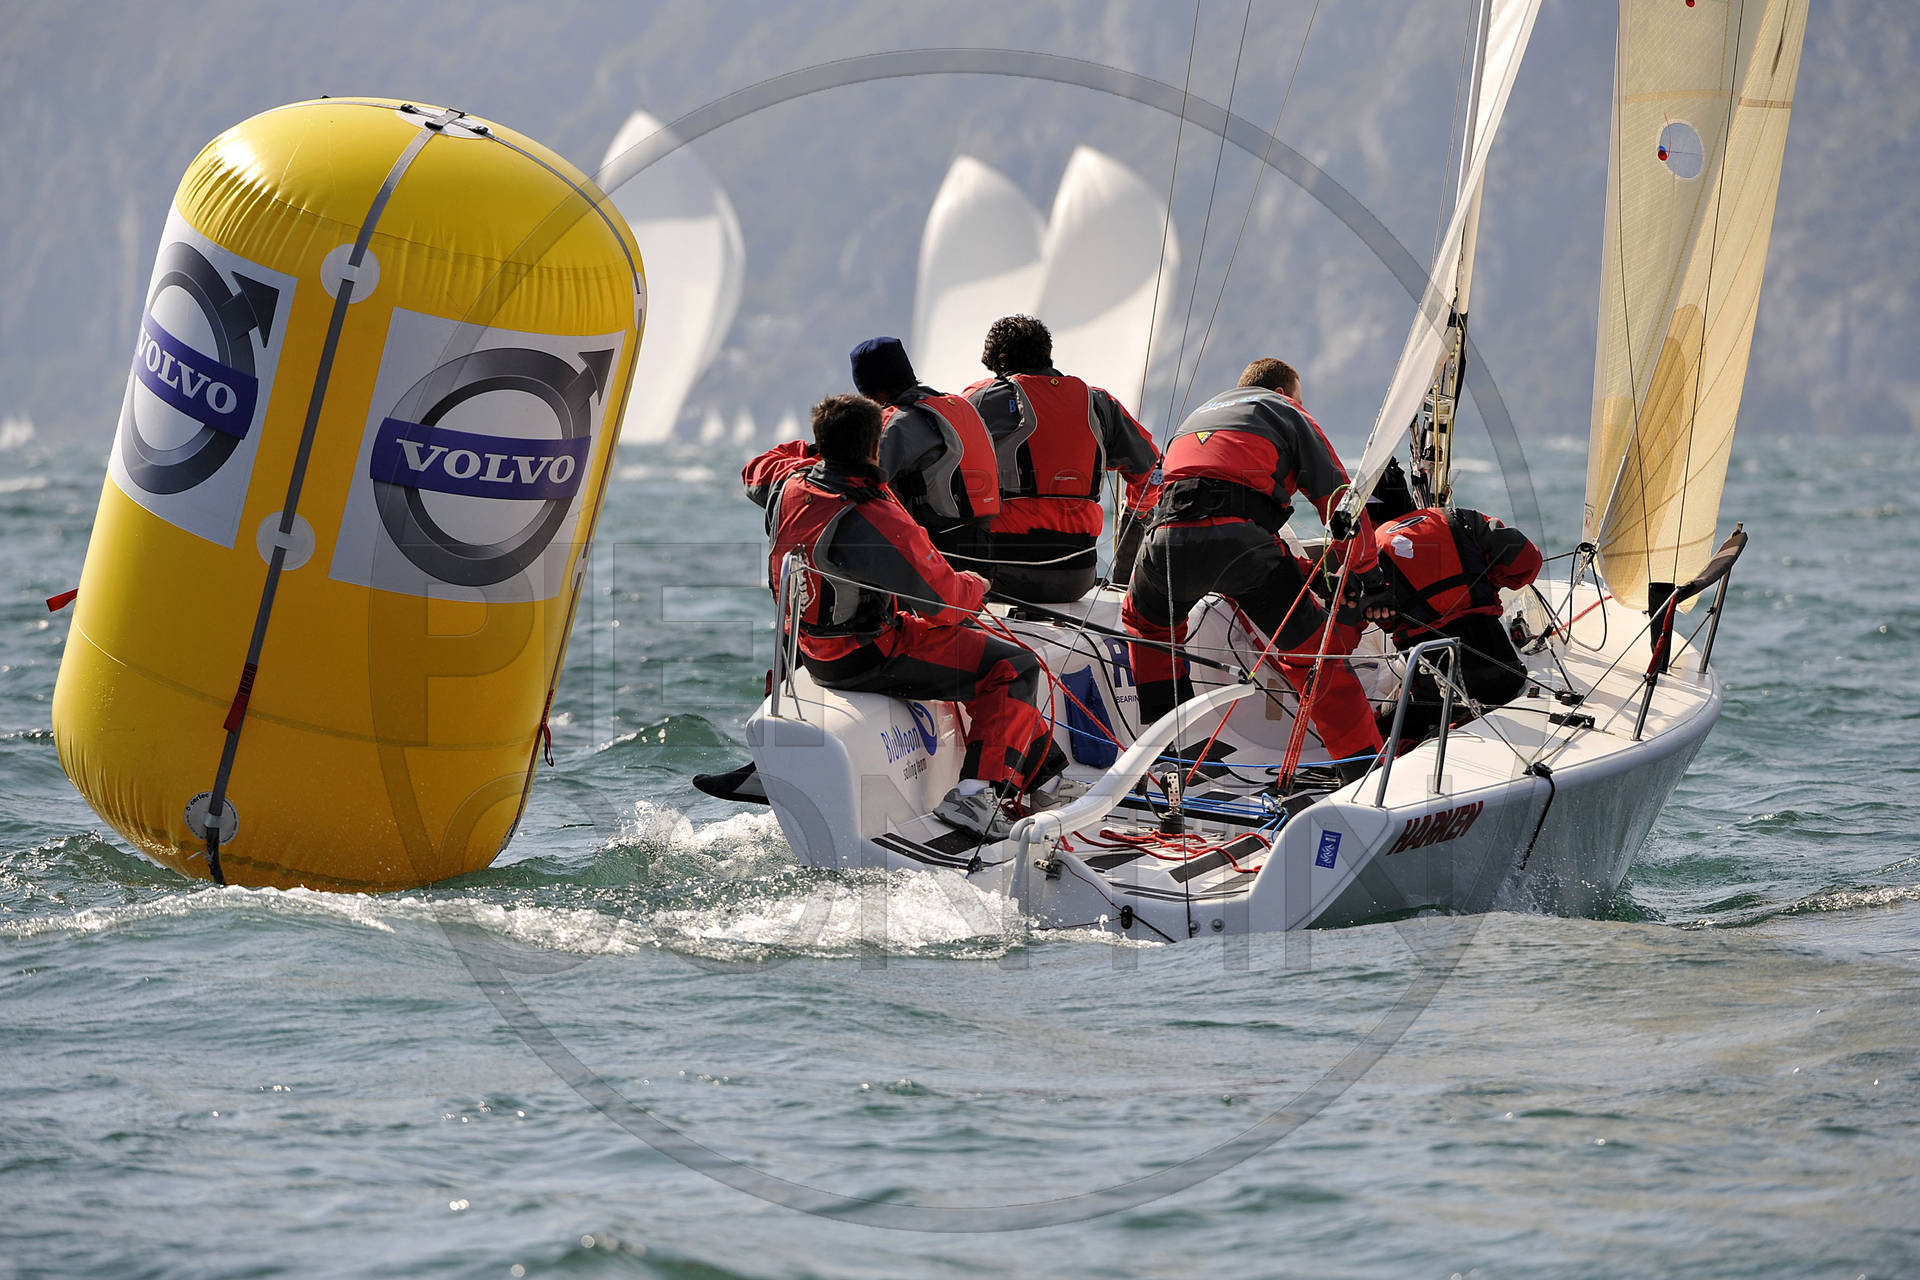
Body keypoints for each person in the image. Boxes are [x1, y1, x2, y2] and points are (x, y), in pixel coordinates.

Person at [742, 394, 1061, 839]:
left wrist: (821, 447)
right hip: (867, 654)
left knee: (982, 652)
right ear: (876, 446)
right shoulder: (873, 514)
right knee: (1015, 666)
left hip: (813, 652)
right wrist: (977, 584)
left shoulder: (787, 484)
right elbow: (947, 603)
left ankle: (1047, 777)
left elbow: (756, 466)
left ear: (823, 442)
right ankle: (974, 795)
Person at [1120, 358, 1388, 782]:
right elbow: (1340, 499)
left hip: (1164, 543)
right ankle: (1364, 774)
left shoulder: (1196, 418)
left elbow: (1174, 499)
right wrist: (1369, 574)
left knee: (1147, 627)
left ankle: (1168, 756)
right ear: (1284, 392)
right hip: (1240, 546)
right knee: (1314, 658)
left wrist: (1306, 570)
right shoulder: (1284, 410)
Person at [963, 314, 1160, 602]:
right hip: (1078, 578)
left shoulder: (983, 398)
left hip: (1002, 576)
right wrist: (1136, 513)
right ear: (1048, 353)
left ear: (997, 365)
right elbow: (1153, 471)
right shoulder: (1098, 402)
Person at [1373, 505, 1544, 739]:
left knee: (1379, 730)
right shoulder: (1460, 518)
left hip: (1441, 695)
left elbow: (1353, 624)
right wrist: (1488, 587)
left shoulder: (1370, 551)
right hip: (1506, 677)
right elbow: (1529, 560)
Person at [848, 336, 1000, 576]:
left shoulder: (894, 424)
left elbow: (858, 482)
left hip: (935, 558)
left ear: (871, 395)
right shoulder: (958, 406)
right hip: (983, 552)